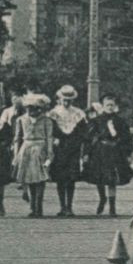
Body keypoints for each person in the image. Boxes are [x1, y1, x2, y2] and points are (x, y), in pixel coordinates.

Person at [83, 95, 133, 216]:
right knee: (100, 178)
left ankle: (112, 207)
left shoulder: (120, 121)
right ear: (103, 106)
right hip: (100, 151)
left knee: (112, 179)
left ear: (115, 106)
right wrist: (86, 153)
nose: (110, 107)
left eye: (112, 105)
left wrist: (127, 153)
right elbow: (89, 138)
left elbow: (127, 138)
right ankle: (102, 199)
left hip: (114, 152)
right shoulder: (96, 120)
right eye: (107, 105)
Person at [12, 94, 56, 218]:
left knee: (40, 179)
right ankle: (32, 207)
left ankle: (39, 207)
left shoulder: (46, 121)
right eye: (28, 108)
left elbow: (49, 137)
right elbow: (17, 138)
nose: (31, 110)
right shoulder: (21, 120)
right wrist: (16, 155)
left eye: (34, 108)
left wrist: (49, 153)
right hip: (26, 148)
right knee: (29, 178)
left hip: (40, 148)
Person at [48, 86, 88, 216]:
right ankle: (62, 206)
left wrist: (77, 142)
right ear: (59, 99)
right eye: (64, 100)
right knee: (60, 178)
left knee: (71, 178)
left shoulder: (78, 113)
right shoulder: (53, 113)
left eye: (69, 101)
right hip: (59, 148)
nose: (66, 103)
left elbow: (83, 132)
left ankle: (69, 206)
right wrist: (54, 139)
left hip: (73, 148)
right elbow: (49, 130)